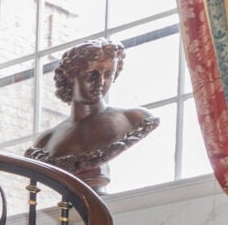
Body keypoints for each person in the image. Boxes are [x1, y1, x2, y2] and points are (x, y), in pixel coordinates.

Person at [25, 40, 159, 190]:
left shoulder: (134, 119)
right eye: (91, 75)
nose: (101, 82)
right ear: (70, 77)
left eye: (108, 74)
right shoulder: (45, 142)